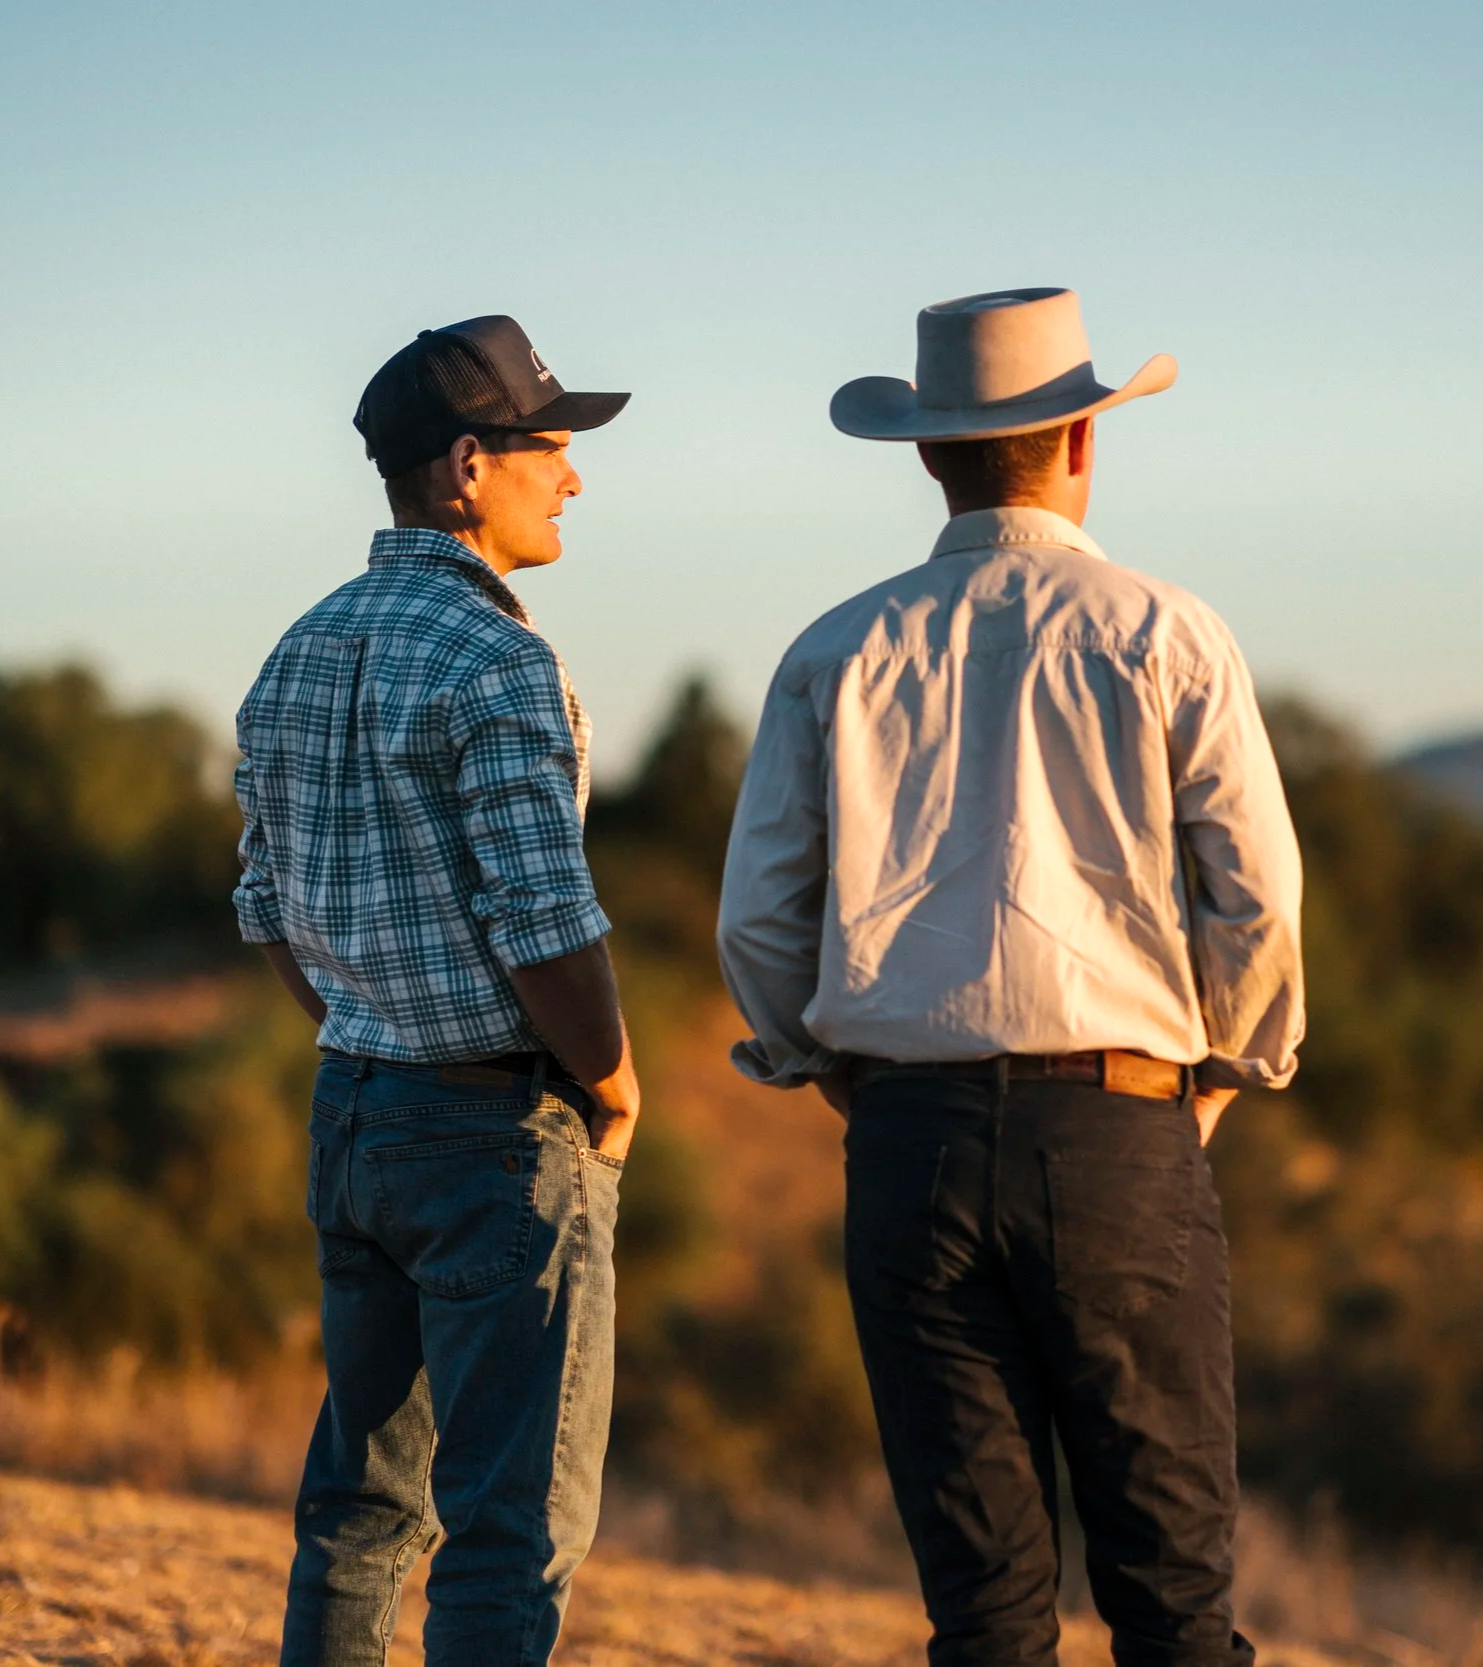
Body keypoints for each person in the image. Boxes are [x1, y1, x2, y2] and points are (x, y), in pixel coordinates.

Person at [718, 288, 1303, 1666]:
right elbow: (1257, 898)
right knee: (1173, 1600)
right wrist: (1220, 1073)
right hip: (1120, 1129)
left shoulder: (833, 650)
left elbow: (758, 922)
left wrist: (837, 1075)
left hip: (908, 1145)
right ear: (1085, 438)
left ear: (926, 452)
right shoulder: (1168, 632)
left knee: (982, 1613)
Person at [232, 314, 640, 1667]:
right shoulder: (498, 659)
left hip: (355, 1112)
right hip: (491, 1136)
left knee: (358, 1508)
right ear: (470, 467)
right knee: (508, 1529)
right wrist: (612, 1081)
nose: (571, 478)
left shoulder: (294, 649)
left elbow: (264, 904)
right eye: (550, 449)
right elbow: (544, 919)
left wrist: (370, 1022)